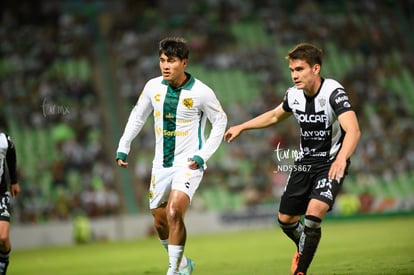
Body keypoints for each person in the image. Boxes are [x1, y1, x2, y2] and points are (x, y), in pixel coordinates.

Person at [224, 43, 360, 275]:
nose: (294, 75)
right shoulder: (293, 95)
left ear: (315, 68)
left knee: (314, 213)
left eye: (299, 69)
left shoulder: (333, 92)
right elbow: (276, 115)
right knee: (285, 219)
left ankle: (301, 271)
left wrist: (341, 159)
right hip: (304, 163)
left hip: (330, 163)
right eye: (291, 70)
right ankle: (304, 246)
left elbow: (353, 130)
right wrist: (243, 126)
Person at [116, 37, 227, 275]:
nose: (166, 66)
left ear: (184, 62)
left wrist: (203, 155)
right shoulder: (152, 87)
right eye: (162, 60)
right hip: (161, 165)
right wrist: (124, 145)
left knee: (175, 211)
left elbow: (221, 122)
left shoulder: (201, 92)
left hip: (189, 163)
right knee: (159, 220)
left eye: (172, 61)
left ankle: (174, 271)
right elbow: (137, 116)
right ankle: (184, 264)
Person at [0, 132, 21, 275]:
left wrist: (14, 181)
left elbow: (11, 153)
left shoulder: (3, 140)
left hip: (0, 195)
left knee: (3, 237)